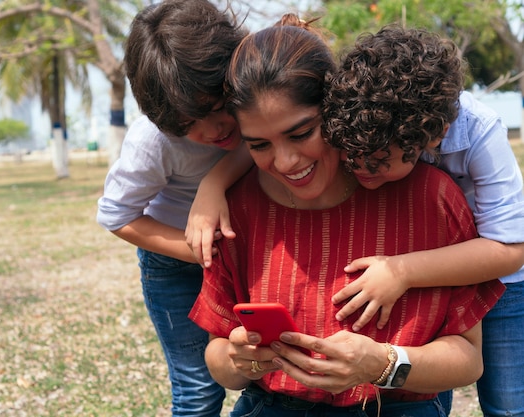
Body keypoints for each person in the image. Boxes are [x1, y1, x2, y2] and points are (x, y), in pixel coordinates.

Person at [188, 15, 505, 416]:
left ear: (337, 109)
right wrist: (242, 359)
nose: (285, 162)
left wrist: (383, 364)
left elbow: (468, 359)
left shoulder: (432, 197)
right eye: (258, 145)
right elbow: (219, 359)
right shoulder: (235, 210)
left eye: (301, 133)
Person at [322, 25, 524, 417]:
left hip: (498, 284)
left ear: (434, 136)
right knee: (427, 385)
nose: (362, 170)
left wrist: (402, 271)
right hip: (417, 275)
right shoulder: (363, 124)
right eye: (352, 156)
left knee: (508, 403)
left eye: (380, 163)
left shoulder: (480, 131)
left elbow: (511, 249)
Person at [96, 1, 247, 415]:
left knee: (265, 373)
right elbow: (116, 215)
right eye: (188, 123)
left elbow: (262, 144)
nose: (212, 129)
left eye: (218, 107)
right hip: (177, 267)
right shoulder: (154, 142)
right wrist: (193, 249)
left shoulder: (256, 89)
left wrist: (213, 184)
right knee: (198, 387)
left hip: (251, 252)